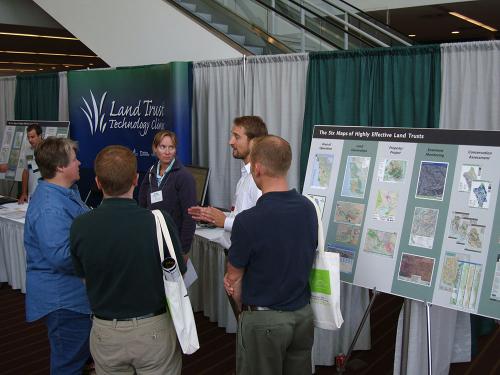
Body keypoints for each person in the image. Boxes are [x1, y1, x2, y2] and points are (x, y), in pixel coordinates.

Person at [71, 145, 186, 375]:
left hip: (105, 332)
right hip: (153, 330)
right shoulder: (159, 222)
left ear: (97, 182)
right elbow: (177, 273)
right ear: (135, 179)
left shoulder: (80, 226)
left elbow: (85, 279)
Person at [224, 135, 318, 375]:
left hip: (264, 323)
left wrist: (243, 312)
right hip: (303, 317)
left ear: (257, 168)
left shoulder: (247, 221)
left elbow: (233, 280)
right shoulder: (309, 208)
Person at [24, 137, 91, 375]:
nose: (80, 163)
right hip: (65, 301)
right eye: (74, 160)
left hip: (72, 297)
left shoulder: (66, 193)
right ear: (61, 167)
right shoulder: (50, 207)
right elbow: (62, 257)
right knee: (68, 365)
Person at [188, 116, 268, 241]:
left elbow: (259, 226)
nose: (230, 142)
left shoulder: (258, 180)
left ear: (254, 142)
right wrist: (211, 215)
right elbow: (239, 217)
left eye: (237, 137)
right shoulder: (245, 177)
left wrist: (224, 221)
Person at [139, 130, 197, 255]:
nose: (167, 152)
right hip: (152, 241)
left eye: (171, 147)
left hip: (173, 244)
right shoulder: (151, 172)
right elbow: (142, 206)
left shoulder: (184, 176)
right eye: (163, 147)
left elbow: (190, 216)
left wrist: (183, 250)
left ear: (175, 150)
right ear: (155, 149)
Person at [19, 123, 44, 203]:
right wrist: (24, 193)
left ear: (40, 136)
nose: (30, 140)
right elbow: (26, 172)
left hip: (45, 194)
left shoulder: (48, 150)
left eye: (32, 137)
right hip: (32, 195)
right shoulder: (28, 151)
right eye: (28, 137)